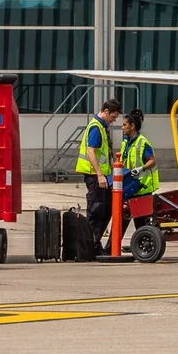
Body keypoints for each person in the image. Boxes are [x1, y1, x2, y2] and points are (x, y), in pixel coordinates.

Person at [75, 98, 121, 253]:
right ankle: (88, 246)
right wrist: (100, 175)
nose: (113, 121)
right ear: (106, 112)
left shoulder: (101, 127)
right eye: (113, 117)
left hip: (102, 177)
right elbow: (91, 152)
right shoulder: (96, 127)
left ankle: (94, 243)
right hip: (95, 177)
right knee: (96, 212)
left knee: (106, 210)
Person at [113, 110, 160, 250]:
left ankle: (144, 246)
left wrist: (141, 169)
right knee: (123, 218)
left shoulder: (142, 142)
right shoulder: (126, 143)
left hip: (142, 187)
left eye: (124, 125)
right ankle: (117, 245)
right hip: (130, 187)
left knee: (141, 222)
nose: (122, 128)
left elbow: (152, 161)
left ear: (132, 126)